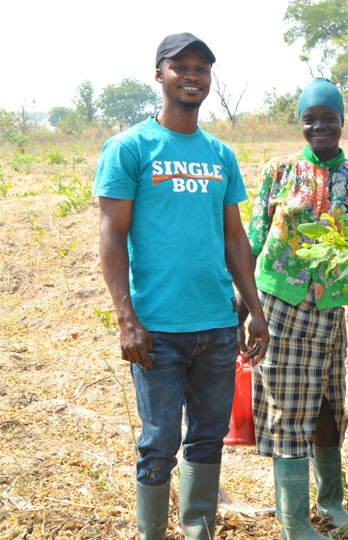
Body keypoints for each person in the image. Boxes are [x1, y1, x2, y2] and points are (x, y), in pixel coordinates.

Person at [94, 33, 270, 540]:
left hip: (216, 323)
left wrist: (254, 309)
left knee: (208, 437)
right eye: (181, 66)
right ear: (159, 75)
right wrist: (127, 320)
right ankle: (152, 533)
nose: (193, 75)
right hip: (157, 327)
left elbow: (235, 238)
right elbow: (111, 236)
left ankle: (198, 530)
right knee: (158, 441)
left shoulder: (220, 154)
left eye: (202, 68)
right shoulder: (130, 148)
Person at [242, 78, 348, 539]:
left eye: (328, 118)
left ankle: (331, 504)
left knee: (327, 409)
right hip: (280, 305)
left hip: (331, 309)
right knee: (287, 411)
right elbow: (254, 237)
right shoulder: (280, 171)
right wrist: (242, 300)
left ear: (341, 121)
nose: (319, 126)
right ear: (301, 124)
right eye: (309, 119)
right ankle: (294, 523)